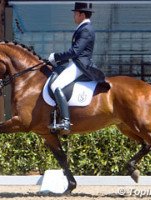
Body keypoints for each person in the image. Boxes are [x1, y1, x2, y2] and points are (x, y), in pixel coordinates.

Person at [48, 2, 106, 132]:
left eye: (75, 13)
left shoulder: (85, 29)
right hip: (76, 63)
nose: (74, 16)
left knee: (56, 86)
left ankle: (65, 122)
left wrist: (56, 57)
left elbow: (75, 52)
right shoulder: (83, 28)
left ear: (81, 14)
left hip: (80, 65)